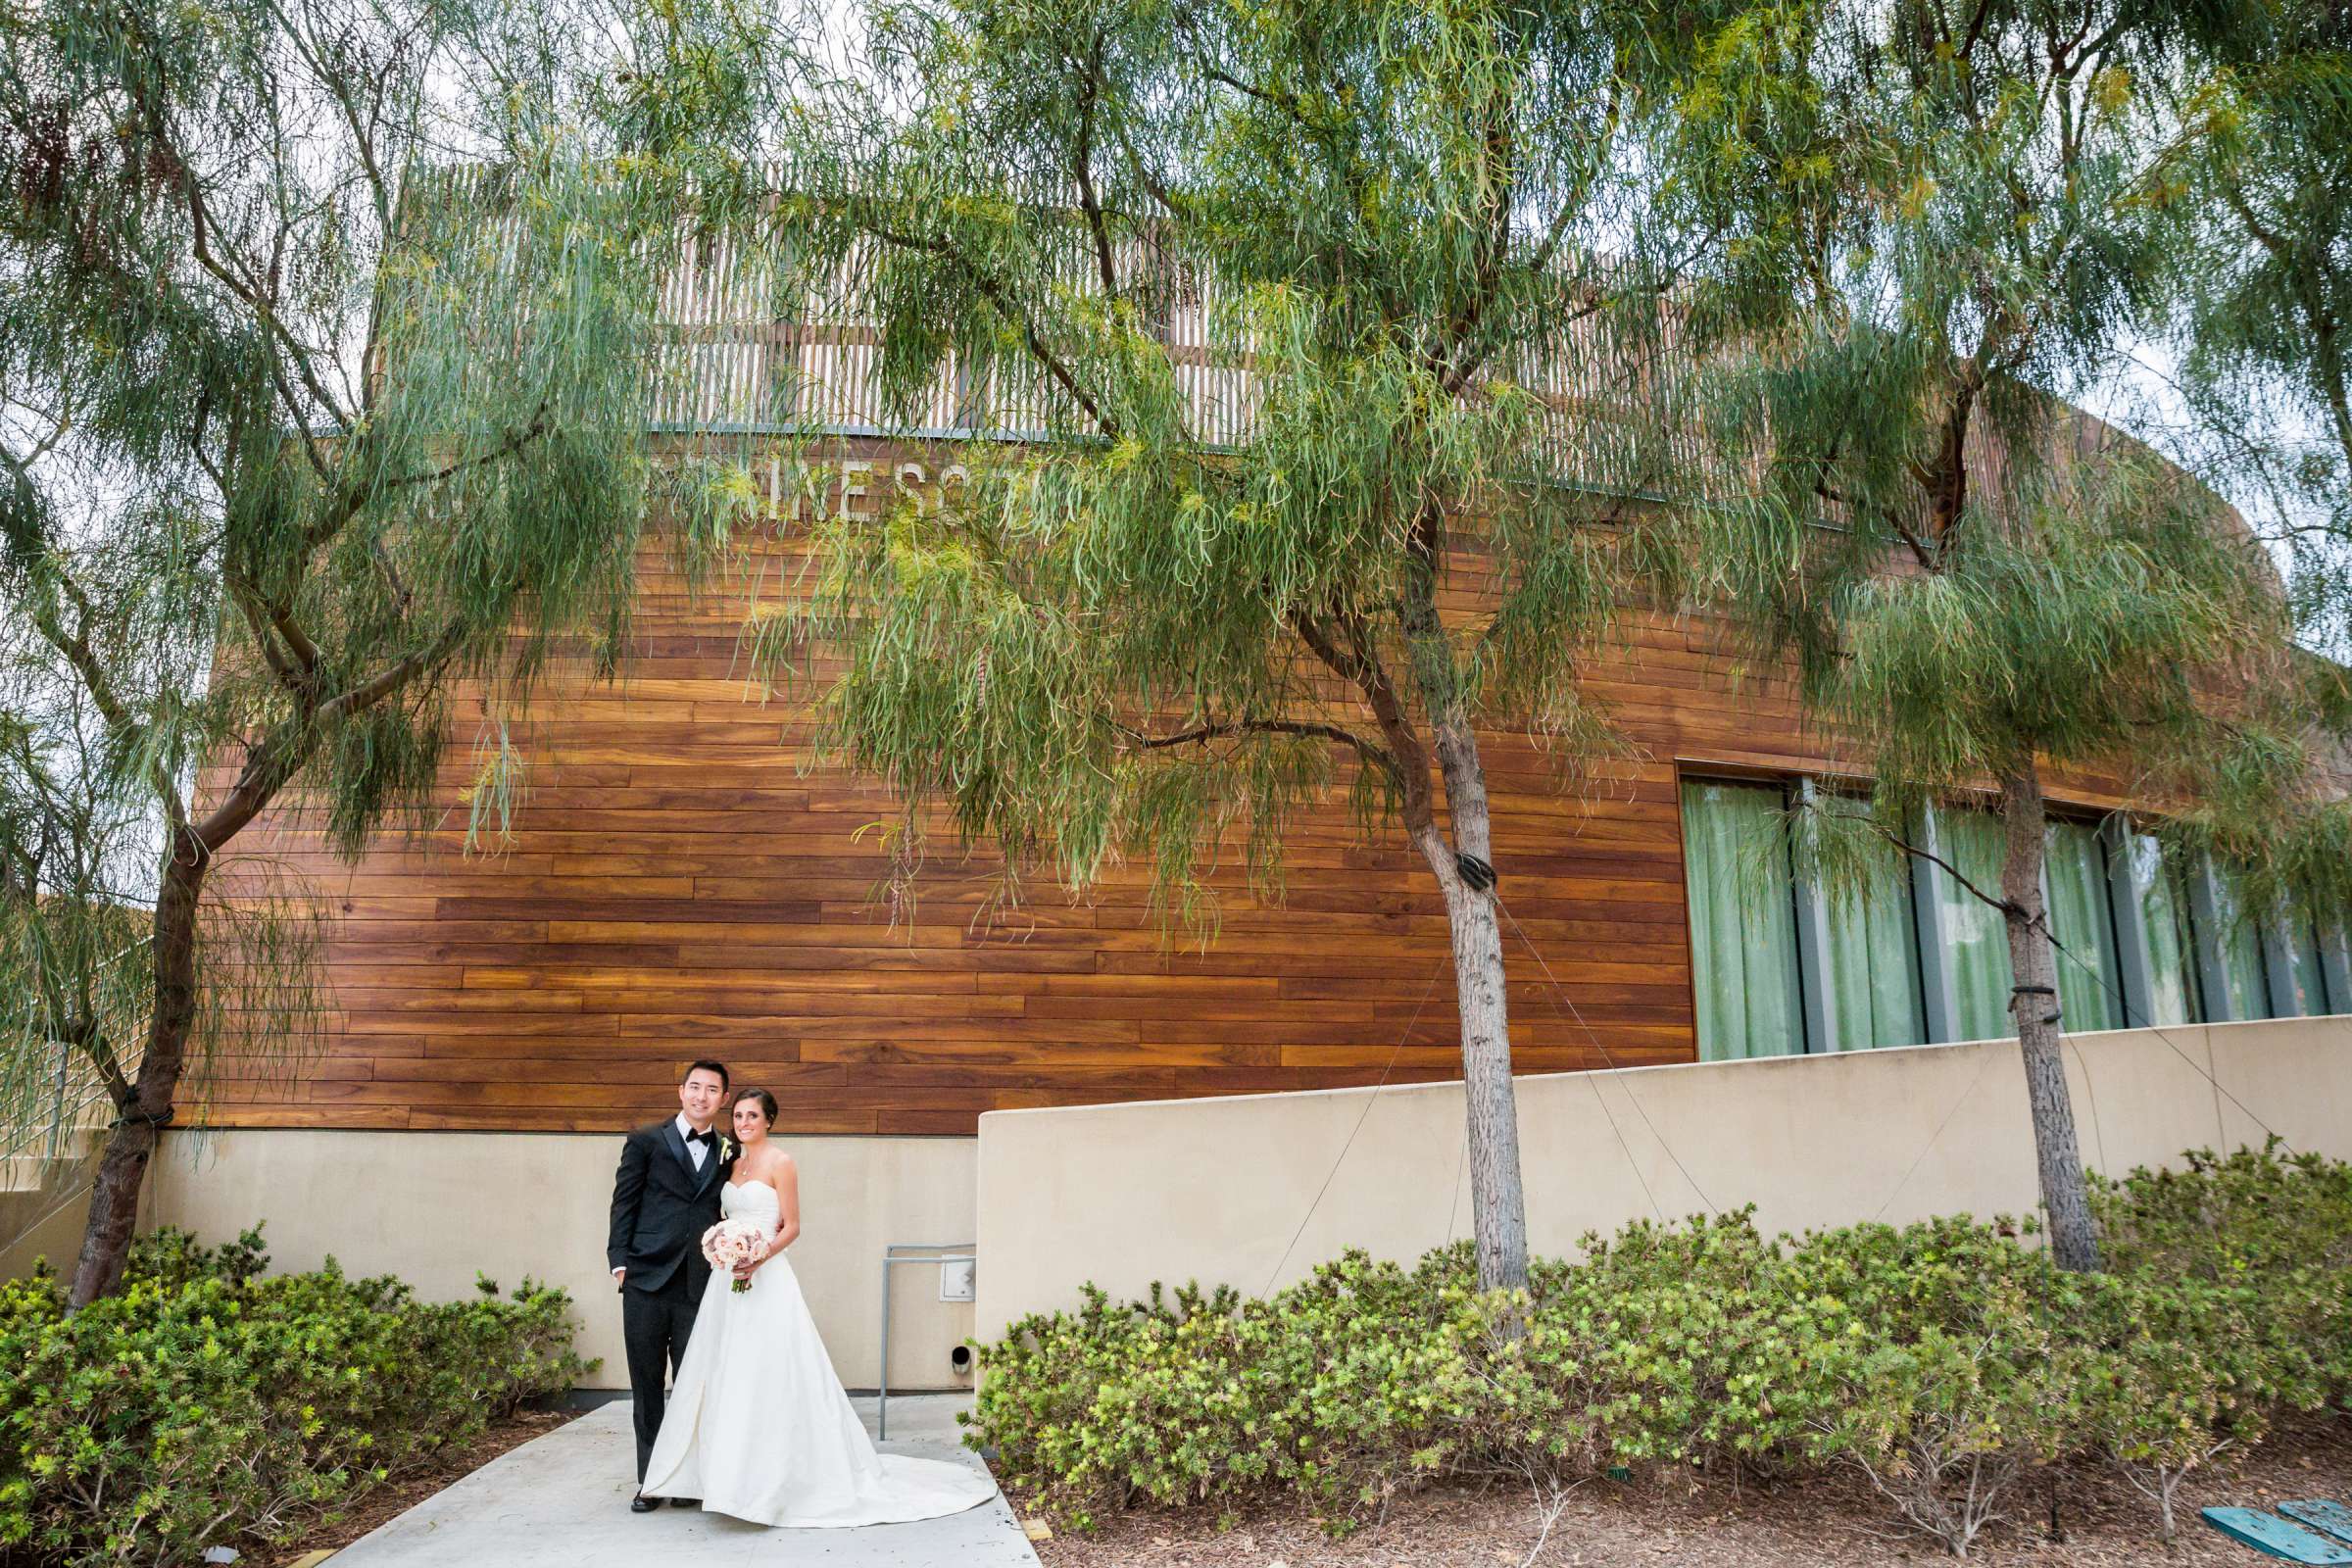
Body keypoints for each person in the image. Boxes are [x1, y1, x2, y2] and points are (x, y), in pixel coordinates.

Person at [639, 1086, 999, 1527]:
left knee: (768, 1371)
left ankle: (770, 1481)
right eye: (739, 1117)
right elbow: (722, 1216)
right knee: (725, 1370)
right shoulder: (731, 1163)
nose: (743, 1123)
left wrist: (758, 1256)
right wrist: (726, 1249)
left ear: (769, 1120)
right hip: (726, 1281)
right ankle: (719, 1475)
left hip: (766, 1277)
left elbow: (792, 1226)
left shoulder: (781, 1163)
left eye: (753, 1116)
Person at [608, 1059, 733, 1512]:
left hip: (699, 1283)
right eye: (694, 1087)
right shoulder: (644, 1140)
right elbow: (625, 1201)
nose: (702, 1096)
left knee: (690, 1386)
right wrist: (618, 1261)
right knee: (646, 1385)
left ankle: (684, 1478)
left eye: (712, 1090)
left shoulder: (727, 1149)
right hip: (645, 1277)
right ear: (681, 1092)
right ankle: (650, 1481)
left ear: (722, 1098)